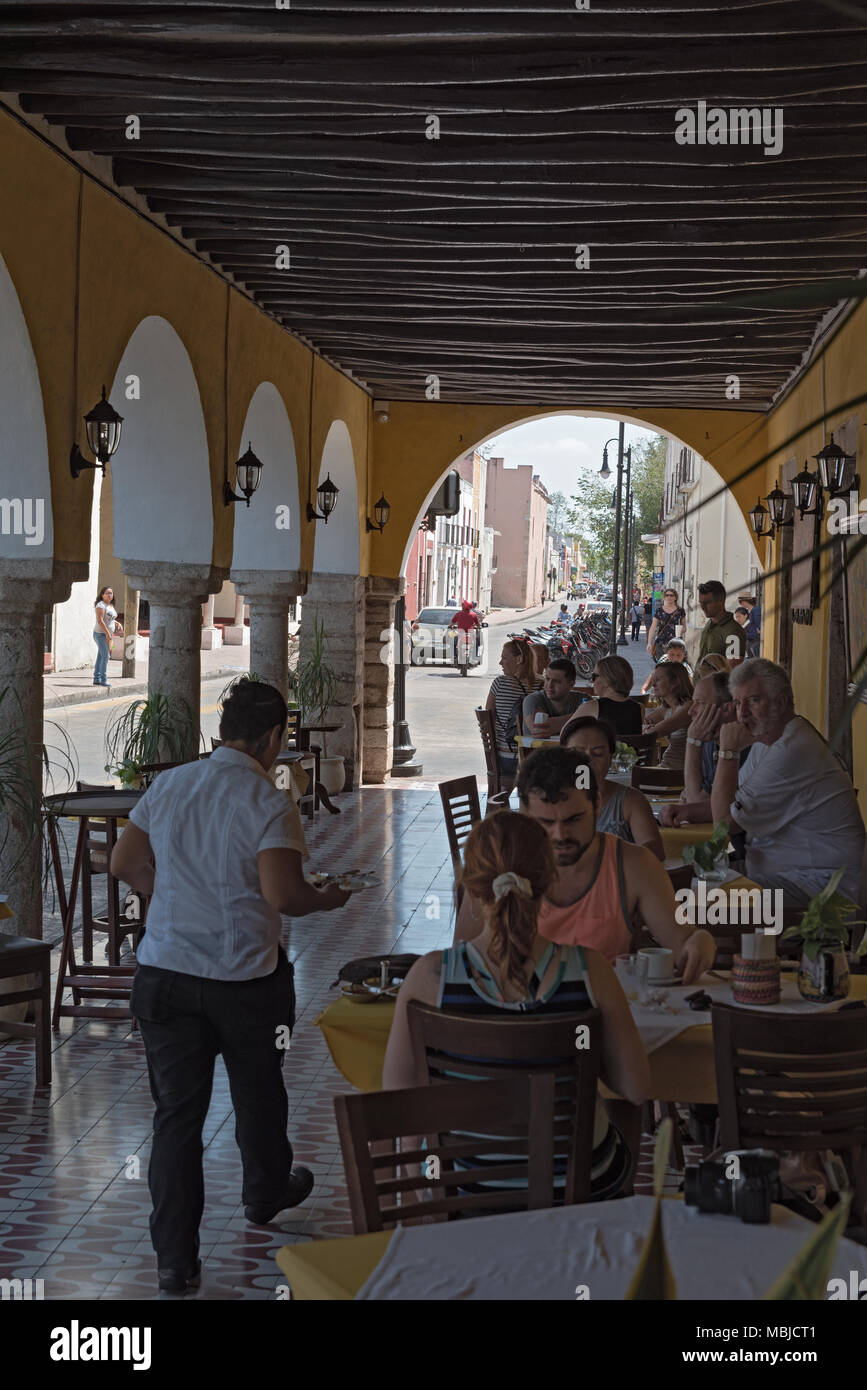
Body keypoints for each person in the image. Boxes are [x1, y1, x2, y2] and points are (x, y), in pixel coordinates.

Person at [110, 679, 352, 1295]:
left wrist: (166, 896)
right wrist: (329, 898)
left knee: (176, 1120)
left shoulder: (170, 785)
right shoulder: (269, 800)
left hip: (165, 979)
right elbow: (284, 896)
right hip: (246, 983)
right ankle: (265, 1190)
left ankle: (175, 1261)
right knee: (259, 1091)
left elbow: (123, 863)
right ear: (273, 738)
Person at [383, 813, 650, 1200]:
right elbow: (637, 1089)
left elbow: (397, 1098)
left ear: (469, 888)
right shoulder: (590, 972)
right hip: (577, 1187)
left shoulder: (430, 978)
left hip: (461, 1186)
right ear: (549, 881)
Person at [455, 749, 715, 980]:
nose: (560, 835)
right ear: (523, 812)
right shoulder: (498, 863)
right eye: (545, 822)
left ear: (598, 806)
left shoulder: (634, 865)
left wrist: (700, 942)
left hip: (602, 1017)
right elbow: (460, 963)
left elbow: (683, 941)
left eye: (574, 819)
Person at [709, 659, 866, 908]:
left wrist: (727, 752)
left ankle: (745, 947)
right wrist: (685, 810)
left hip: (822, 891)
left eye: (753, 700)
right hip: (785, 876)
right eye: (738, 703)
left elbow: (723, 825)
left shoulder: (792, 749)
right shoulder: (768, 740)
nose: (742, 714)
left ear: (781, 702)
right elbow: (734, 799)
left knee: (704, 902)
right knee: (696, 885)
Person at [561, 716, 665, 859]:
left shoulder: (631, 801)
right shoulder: (550, 801)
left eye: (598, 753)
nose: (587, 761)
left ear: (610, 759)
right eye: (577, 753)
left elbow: (654, 851)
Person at [657, 671, 748, 827]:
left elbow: (695, 800)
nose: (691, 711)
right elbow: (696, 799)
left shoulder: (745, 745)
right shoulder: (711, 740)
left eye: (699, 703)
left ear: (727, 709)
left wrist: (693, 742)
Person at [485, 640, 534, 791]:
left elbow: (488, 716)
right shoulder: (542, 684)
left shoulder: (499, 683)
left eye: (504, 658)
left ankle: (500, 806)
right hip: (535, 756)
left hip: (506, 756)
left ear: (518, 659)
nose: (500, 662)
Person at [562, 655, 642, 737]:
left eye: (594, 676)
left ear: (607, 680)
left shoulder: (592, 707)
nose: (592, 681)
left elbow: (564, 734)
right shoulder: (639, 708)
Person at [643, 663, 693, 770]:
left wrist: (648, 729)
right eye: (653, 679)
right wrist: (646, 727)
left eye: (658, 679)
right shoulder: (666, 708)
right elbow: (641, 723)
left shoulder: (687, 707)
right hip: (667, 767)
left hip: (679, 773)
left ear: (675, 682)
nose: (653, 684)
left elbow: (652, 734)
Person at [522, 658, 584, 738]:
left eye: (557, 681)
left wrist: (549, 723)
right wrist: (581, 717)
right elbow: (538, 730)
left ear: (571, 684)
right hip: (538, 750)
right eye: (547, 679)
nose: (549, 685)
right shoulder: (532, 699)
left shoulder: (583, 699)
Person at [697, 580, 746, 665]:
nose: (703, 607)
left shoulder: (733, 632)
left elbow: (732, 668)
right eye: (701, 603)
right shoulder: (710, 624)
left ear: (721, 601)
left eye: (707, 603)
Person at [93, 584, 122, 689]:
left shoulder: (110, 606)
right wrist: (107, 634)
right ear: (102, 595)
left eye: (111, 593)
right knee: (106, 656)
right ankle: (103, 679)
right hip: (100, 634)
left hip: (107, 634)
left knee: (101, 656)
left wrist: (117, 623)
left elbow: (110, 619)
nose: (109, 595)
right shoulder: (100, 605)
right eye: (107, 593)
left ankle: (96, 679)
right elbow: (100, 621)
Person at [645, 587, 685, 661]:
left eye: (671, 595)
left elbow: (684, 627)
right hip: (661, 643)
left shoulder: (680, 611)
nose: (669, 597)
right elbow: (653, 627)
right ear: (664, 597)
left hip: (675, 644)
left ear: (675, 597)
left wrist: (682, 630)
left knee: (674, 666)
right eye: (667, 595)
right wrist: (649, 642)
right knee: (662, 666)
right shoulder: (659, 611)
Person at [448, 599, 482, 666]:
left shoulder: (458, 614)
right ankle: (475, 658)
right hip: (471, 634)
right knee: (476, 643)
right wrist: (479, 628)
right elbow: (478, 625)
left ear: (463, 606)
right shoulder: (473, 615)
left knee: (453, 642)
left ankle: (454, 657)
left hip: (460, 634)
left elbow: (452, 623)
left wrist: (450, 627)